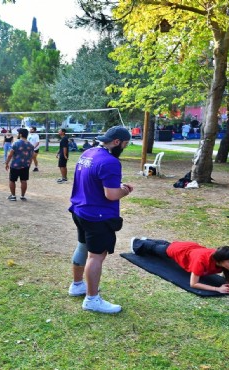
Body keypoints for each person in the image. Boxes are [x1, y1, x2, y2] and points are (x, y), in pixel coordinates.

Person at [68, 126, 133, 314]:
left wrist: (116, 187)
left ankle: (77, 285)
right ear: (117, 142)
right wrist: (125, 190)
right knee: (96, 256)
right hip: (98, 216)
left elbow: (94, 181)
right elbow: (112, 195)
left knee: (82, 246)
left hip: (80, 210)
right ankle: (92, 299)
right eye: (126, 144)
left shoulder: (89, 153)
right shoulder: (111, 162)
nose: (125, 148)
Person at [131, 238, 229, 294]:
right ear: (220, 261)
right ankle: (139, 242)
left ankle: (149, 240)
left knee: (165, 245)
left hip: (192, 248)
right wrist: (217, 289)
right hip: (179, 251)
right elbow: (193, 284)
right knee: (156, 249)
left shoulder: (222, 259)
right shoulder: (201, 261)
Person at [5, 128, 34, 201]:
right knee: (24, 180)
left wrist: (7, 163)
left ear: (20, 134)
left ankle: (13, 196)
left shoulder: (16, 143)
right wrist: (29, 165)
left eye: (18, 133)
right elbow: (31, 157)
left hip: (15, 165)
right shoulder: (30, 145)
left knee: (12, 180)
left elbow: (10, 155)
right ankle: (22, 196)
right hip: (25, 166)